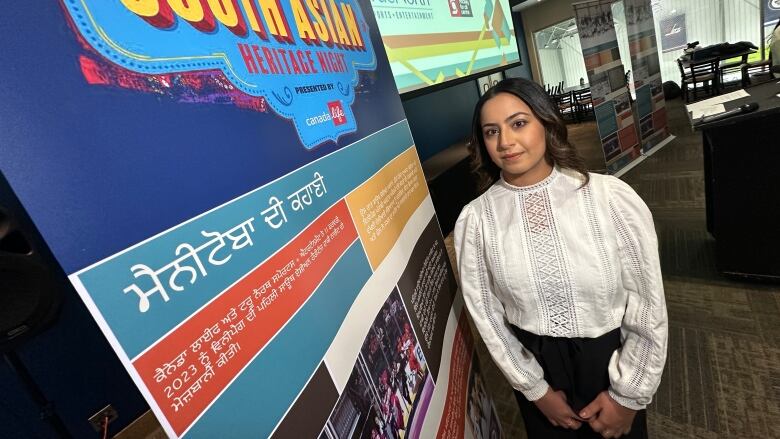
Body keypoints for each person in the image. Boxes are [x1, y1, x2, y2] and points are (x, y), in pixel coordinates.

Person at [453, 78, 668, 438]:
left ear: (546, 122)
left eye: (518, 123)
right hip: (537, 371)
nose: (505, 142)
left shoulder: (610, 198)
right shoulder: (477, 221)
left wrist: (629, 396)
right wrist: (535, 391)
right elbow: (486, 315)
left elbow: (647, 303)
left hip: (610, 363)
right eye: (492, 132)